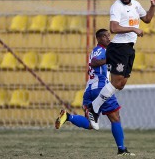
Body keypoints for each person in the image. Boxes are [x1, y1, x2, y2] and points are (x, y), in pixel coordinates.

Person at [87, 0, 155, 129]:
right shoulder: (116, 7)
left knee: (121, 84)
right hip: (119, 47)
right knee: (116, 81)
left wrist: (153, 6)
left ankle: (94, 106)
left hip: (129, 48)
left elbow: (147, 19)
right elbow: (113, 28)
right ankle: (93, 108)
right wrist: (134, 29)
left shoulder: (136, 5)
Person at [55, 28, 135, 156]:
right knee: (115, 118)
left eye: (109, 36)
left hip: (89, 90)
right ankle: (121, 149)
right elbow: (94, 62)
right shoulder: (99, 50)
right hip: (101, 88)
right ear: (98, 39)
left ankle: (68, 116)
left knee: (91, 123)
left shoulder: (105, 51)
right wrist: (110, 59)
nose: (108, 38)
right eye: (105, 36)